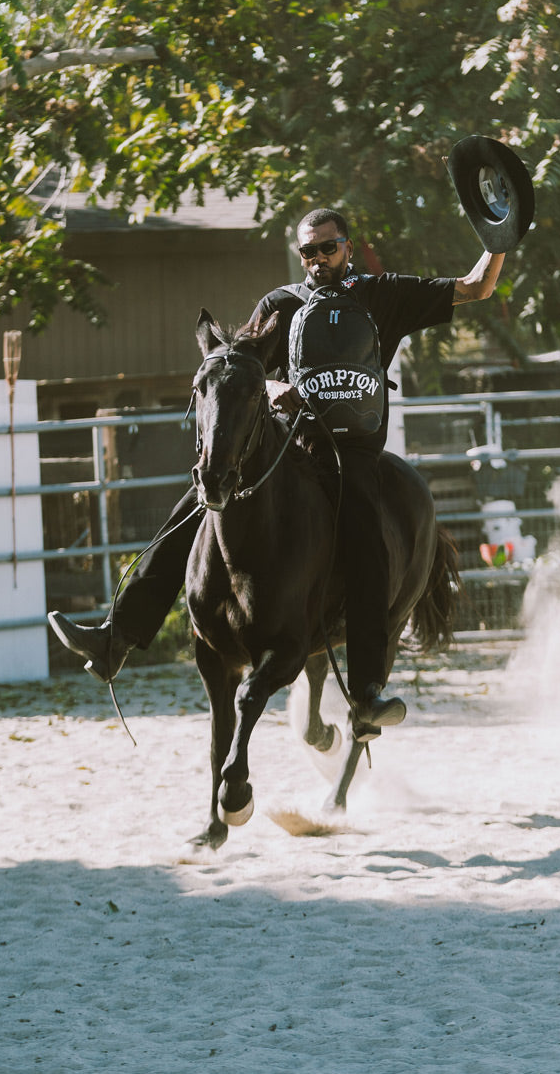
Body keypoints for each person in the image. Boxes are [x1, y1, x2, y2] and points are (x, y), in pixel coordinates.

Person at [49, 207, 505, 735]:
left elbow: (475, 288)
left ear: (348, 246)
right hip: (290, 445)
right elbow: (240, 367)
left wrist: (497, 237)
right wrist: (272, 388)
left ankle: (365, 694)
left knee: (367, 541)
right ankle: (117, 638)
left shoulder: (383, 295)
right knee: (195, 506)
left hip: (353, 452)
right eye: (307, 251)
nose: (316, 260)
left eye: (326, 248)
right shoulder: (281, 305)